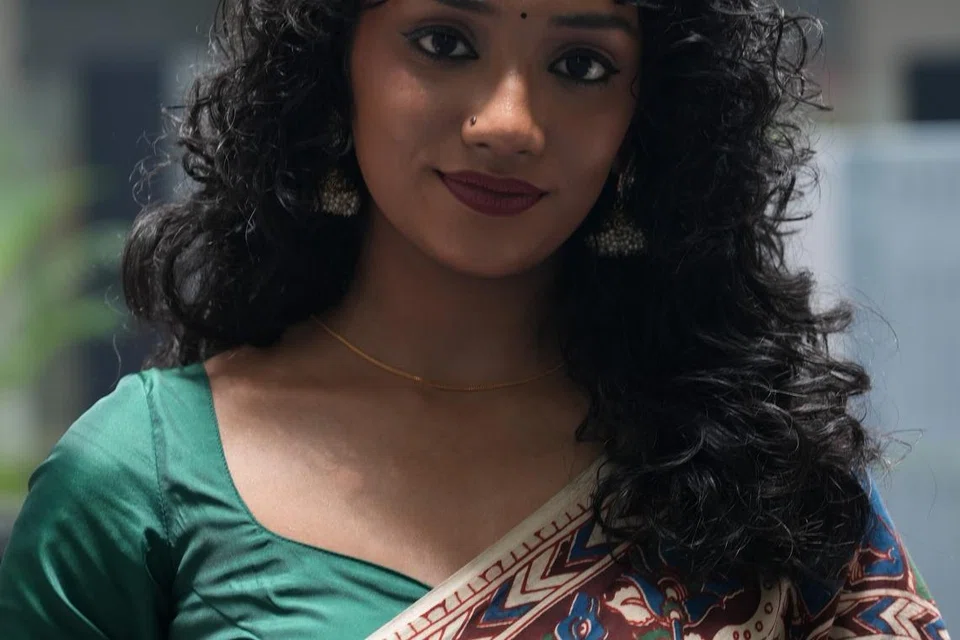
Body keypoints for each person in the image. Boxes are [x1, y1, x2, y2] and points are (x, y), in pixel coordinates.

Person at [0, 0, 951, 637]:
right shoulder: (138, 485)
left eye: (581, 64)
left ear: (646, 122)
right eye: (445, 43)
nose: (508, 122)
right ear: (334, 68)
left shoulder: (760, 471)